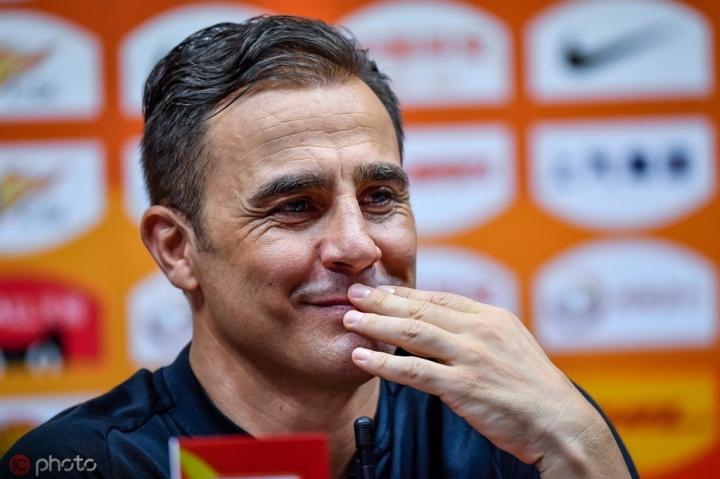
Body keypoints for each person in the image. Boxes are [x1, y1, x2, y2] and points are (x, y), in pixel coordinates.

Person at [1, 15, 637, 479]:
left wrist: (583, 444)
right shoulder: (87, 463)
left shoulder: (514, 431)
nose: (357, 246)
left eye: (380, 197)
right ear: (177, 249)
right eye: (295, 206)